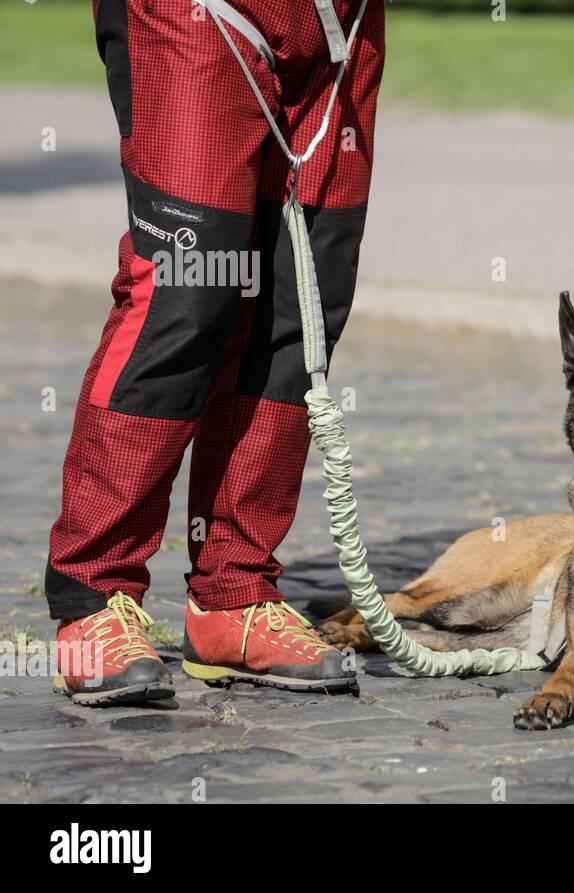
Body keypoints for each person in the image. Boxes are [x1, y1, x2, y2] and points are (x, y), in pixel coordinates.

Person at [46, 0, 384, 705]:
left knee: (307, 297)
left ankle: (235, 594)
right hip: (198, 13)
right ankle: (94, 595)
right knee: (187, 287)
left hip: (338, 26)